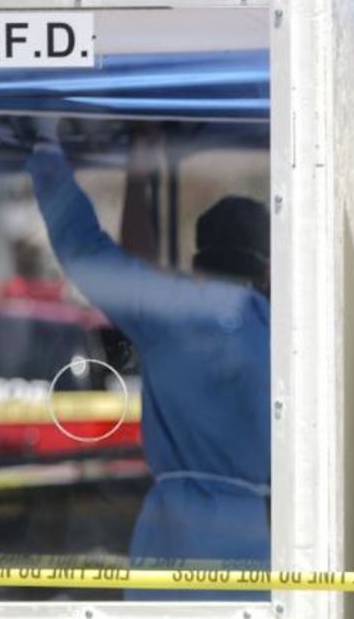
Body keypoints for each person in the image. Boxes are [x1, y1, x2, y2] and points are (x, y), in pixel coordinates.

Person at [25, 120, 270, 601]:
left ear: (198, 263)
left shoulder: (171, 314)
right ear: (266, 268)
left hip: (168, 532)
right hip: (254, 533)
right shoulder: (289, 330)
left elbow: (89, 251)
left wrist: (46, 150)